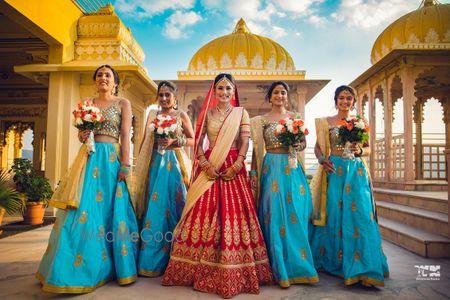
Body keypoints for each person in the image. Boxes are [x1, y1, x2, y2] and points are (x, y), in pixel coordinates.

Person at [162, 73, 272, 298]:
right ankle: (193, 267)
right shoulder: (207, 114)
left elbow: (244, 141)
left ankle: (236, 269)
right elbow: (199, 144)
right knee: (201, 212)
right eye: (220, 88)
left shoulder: (241, 113)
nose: (224, 92)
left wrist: (239, 163)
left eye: (228, 89)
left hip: (233, 166)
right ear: (215, 90)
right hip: (211, 166)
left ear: (234, 92)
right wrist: (203, 164)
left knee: (235, 215)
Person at [36, 65, 139, 293]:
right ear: (96, 80)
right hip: (89, 158)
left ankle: (115, 266)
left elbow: (125, 134)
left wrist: (125, 164)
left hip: (111, 160)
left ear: (115, 82)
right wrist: (82, 135)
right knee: (83, 210)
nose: (103, 78)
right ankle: (71, 270)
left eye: (107, 75)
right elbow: (82, 134)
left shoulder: (123, 103)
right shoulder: (87, 103)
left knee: (112, 210)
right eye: (100, 75)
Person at [310, 85, 389, 287]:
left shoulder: (360, 123)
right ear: (335, 100)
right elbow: (318, 147)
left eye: (349, 98)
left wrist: (359, 151)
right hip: (334, 172)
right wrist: (321, 160)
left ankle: (365, 266)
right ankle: (334, 262)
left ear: (353, 102)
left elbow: (369, 149)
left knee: (361, 215)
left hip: (356, 173)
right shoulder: (325, 122)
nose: (345, 101)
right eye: (341, 98)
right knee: (334, 215)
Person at [250, 81, 318, 288]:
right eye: (276, 92)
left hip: (293, 169)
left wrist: (299, 144)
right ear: (270, 97)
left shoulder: (295, 118)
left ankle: (299, 266)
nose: (280, 95)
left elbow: (304, 143)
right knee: (275, 214)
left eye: (283, 92)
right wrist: (253, 172)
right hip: (271, 168)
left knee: (295, 212)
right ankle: (278, 267)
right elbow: (257, 150)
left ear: (286, 96)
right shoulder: (261, 121)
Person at [132, 81, 194, 277]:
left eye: (168, 95)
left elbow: (194, 140)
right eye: (161, 95)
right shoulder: (152, 115)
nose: (165, 99)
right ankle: (151, 261)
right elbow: (144, 142)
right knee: (154, 209)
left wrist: (174, 141)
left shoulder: (181, 115)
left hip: (174, 166)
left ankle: (177, 259)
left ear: (175, 98)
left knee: (174, 207)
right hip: (154, 166)